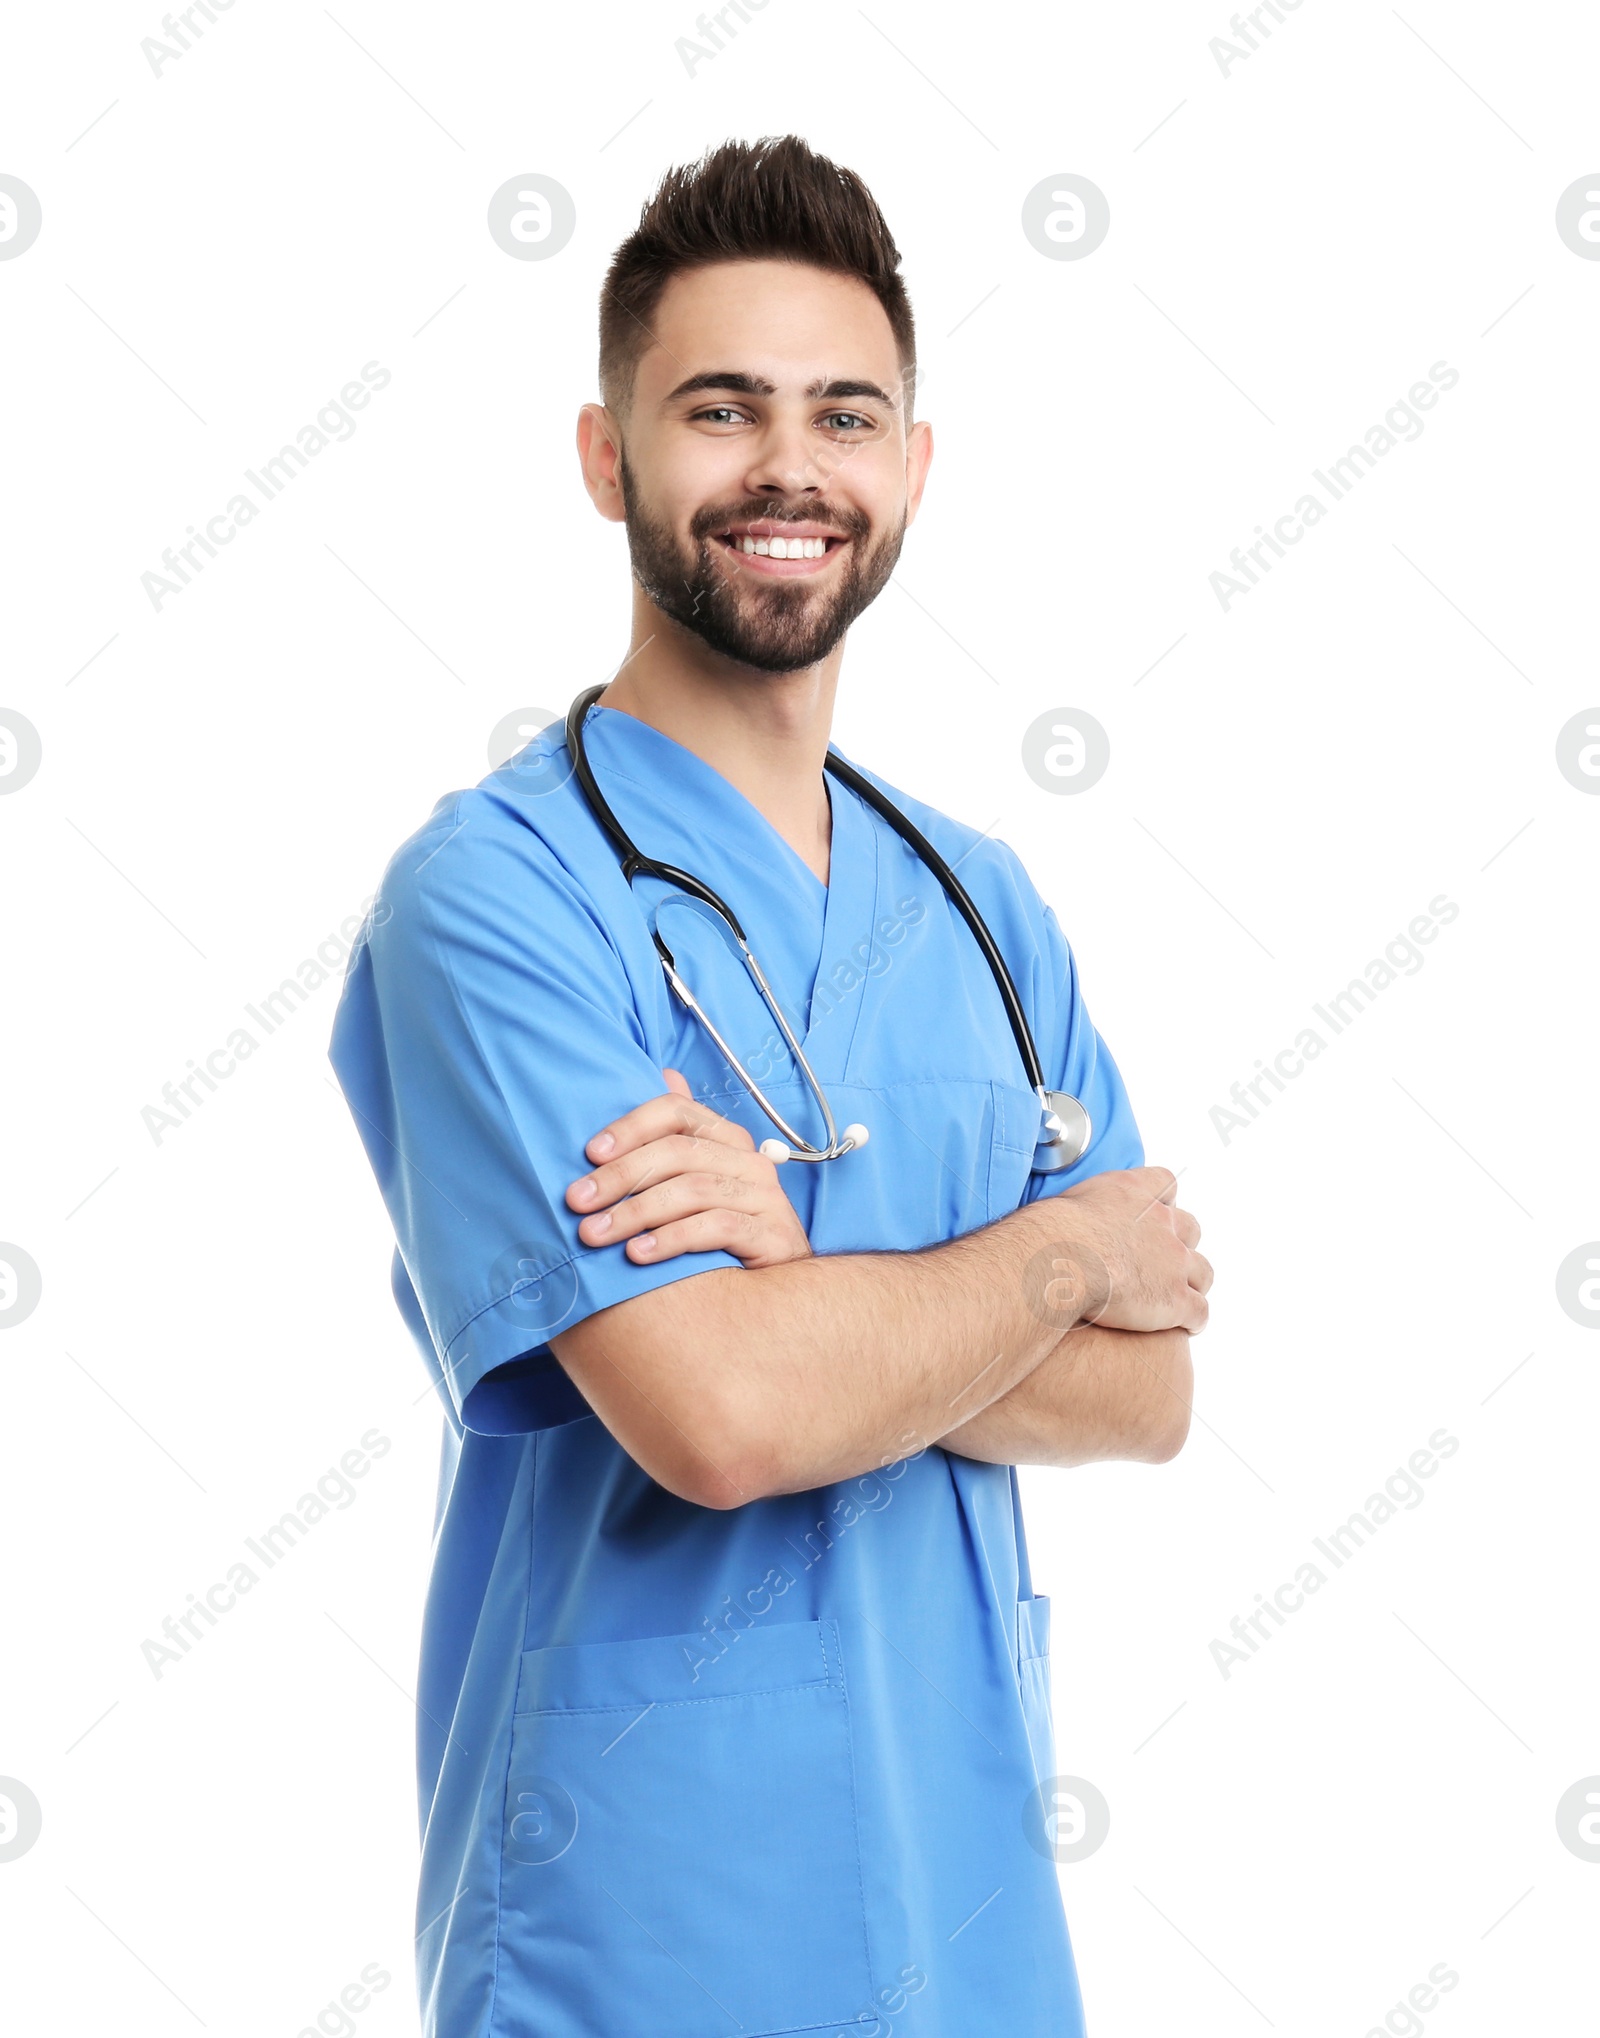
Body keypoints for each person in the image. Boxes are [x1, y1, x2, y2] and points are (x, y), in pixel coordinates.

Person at [329, 133, 1211, 2038]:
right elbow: (718, 1413)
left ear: (910, 466)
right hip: (634, 1946)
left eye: (844, 413)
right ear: (606, 456)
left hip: (970, 1942)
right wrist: (1051, 1252)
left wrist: (801, 1260)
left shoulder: (983, 907)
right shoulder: (497, 898)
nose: (787, 469)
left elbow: (1154, 1395)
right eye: (720, 410)